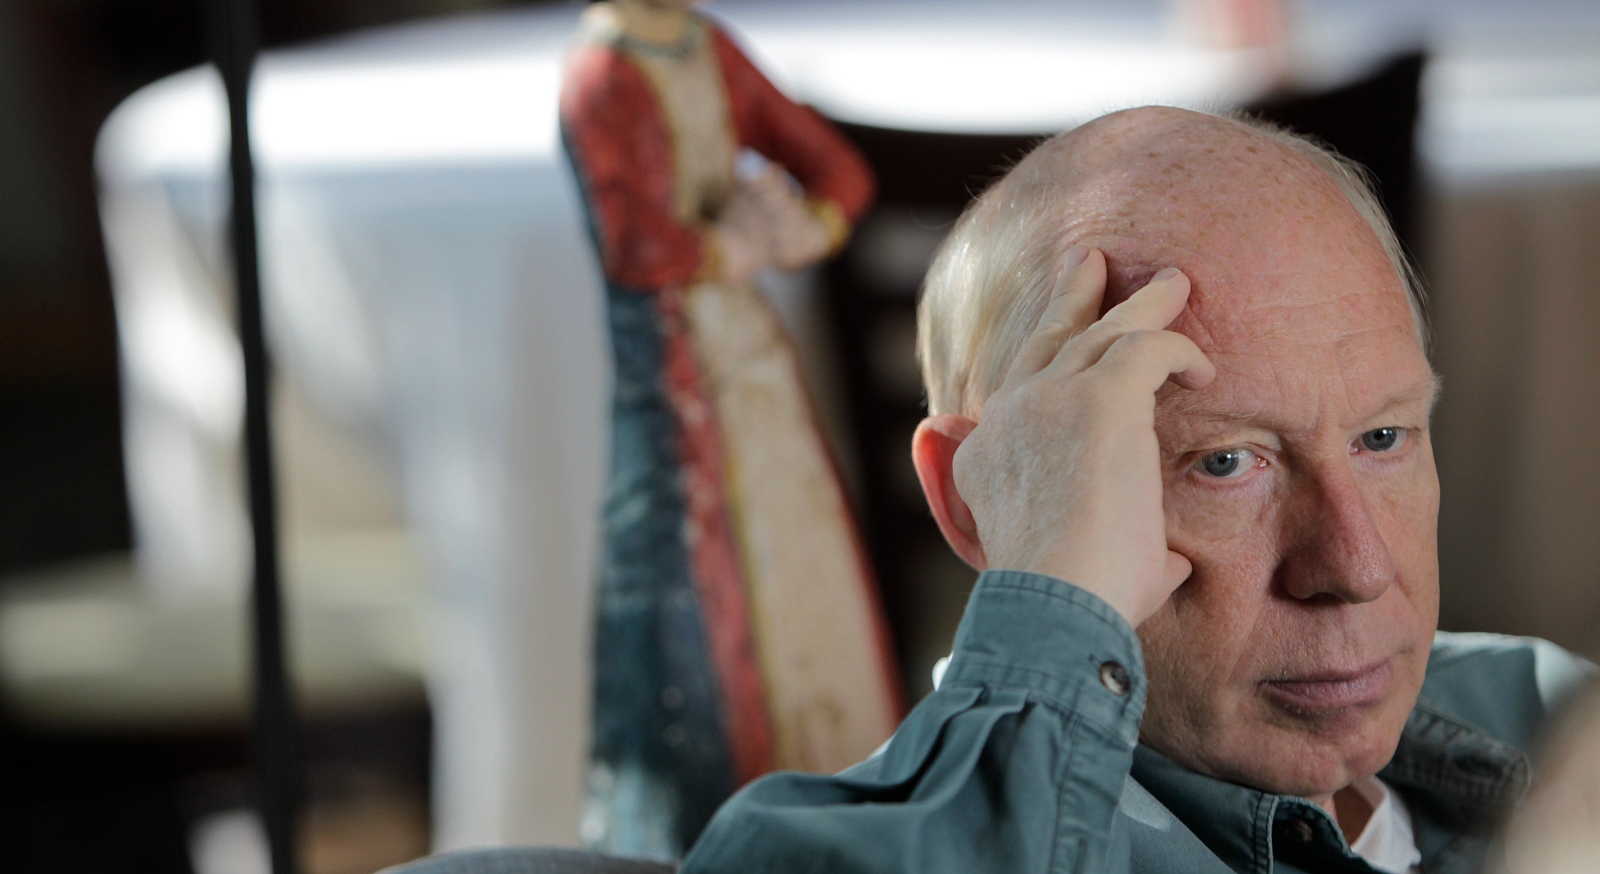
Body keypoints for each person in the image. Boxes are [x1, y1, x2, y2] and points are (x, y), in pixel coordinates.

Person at [678, 106, 1597, 873]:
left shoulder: (1543, 713)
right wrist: (1059, 606)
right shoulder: (881, 846)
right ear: (979, 500)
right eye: (1227, 462)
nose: (1354, 567)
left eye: (1383, 437)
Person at [559, 0, 901, 858]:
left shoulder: (702, 45)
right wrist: (730, 245)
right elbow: (633, 244)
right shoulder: (605, 75)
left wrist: (806, 225)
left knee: (800, 560)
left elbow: (835, 167)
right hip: (672, 380)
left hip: (750, 363)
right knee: (698, 590)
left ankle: (836, 800)